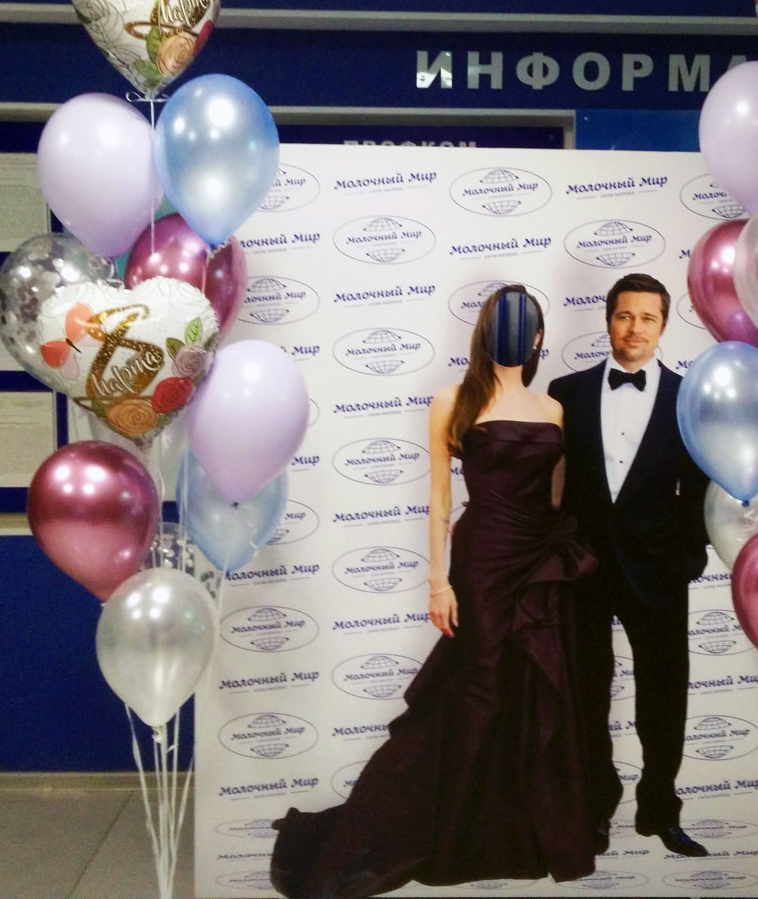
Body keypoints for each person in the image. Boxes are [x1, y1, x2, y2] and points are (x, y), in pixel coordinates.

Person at [270, 285, 613, 899]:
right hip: (483, 562)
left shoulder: (553, 409)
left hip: (539, 562)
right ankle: (451, 829)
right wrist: (438, 580)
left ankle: (513, 829)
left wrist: (562, 556)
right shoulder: (453, 400)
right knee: (478, 691)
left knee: (529, 690)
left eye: (526, 325)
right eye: (504, 323)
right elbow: (439, 499)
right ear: (487, 332)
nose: (516, 334)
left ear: (539, 337)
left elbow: (557, 495)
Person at [547, 273, 710, 858]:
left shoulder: (688, 397)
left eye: (647, 318)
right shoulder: (563, 392)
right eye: (624, 315)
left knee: (664, 693)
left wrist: (689, 555)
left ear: (663, 326)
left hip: (659, 567)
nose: (634, 328)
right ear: (608, 320)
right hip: (584, 568)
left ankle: (659, 809)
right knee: (587, 693)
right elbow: (552, 482)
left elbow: (698, 486)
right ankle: (597, 805)